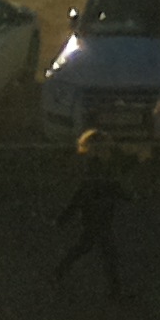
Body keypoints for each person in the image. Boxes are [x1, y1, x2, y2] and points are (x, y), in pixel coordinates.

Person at [50, 128, 131, 299]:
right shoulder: (99, 169)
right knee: (107, 253)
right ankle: (115, 291)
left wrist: (65, 216)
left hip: (94, 216)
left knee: (85, 247)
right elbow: (103, 189)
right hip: (99, 216)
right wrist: (127, 196)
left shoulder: (95, 167)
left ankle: (58, 273)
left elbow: (82, 194)